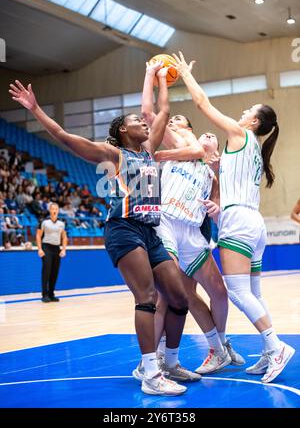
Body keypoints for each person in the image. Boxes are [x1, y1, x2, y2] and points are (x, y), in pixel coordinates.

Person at [9, 62, 189, 397]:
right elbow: (63, 136)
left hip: (150, 232)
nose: (144, 122)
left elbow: (163, 109)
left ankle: (169, 362)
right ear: (123, 130)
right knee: (147, 297)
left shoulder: (150, 152)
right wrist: (34, 110)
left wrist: (161, 78)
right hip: (123, 229)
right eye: (136, 120)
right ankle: (150, 373)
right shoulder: (113, 153)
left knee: (179, 298)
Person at [172, 51, 295, 383]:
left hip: (240, 224)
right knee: (253, 293)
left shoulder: (240, 135)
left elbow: (203, 105)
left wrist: (186, 75)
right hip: (252, 222)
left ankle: (276, 346)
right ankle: (270, 353)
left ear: (254, 122)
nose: (242, 113)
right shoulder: (249, 147)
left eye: (247, 112)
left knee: (238, 292)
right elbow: (228, 182)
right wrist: (216, 195)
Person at [140, 104, 244, 378]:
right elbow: (152, 115)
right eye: (204, 133)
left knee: (218, 292)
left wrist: (217, 207)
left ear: (217, 151)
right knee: (167, 294)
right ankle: (153, 359)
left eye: (213, 136)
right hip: (167, 224)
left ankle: (219, 347)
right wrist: (157, 77)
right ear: (189, 132)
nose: (209, 135)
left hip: (193, 232)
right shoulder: (180, 144)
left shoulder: (212, 173)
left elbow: (219, 202)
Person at [36, 203, 67, 302]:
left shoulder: (62, 224)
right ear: (50, 210)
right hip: (46, 248)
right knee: (46, 271)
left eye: (56, 209)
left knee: (54, 272)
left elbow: (64, 237)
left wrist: (63, 249)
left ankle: (51, 293)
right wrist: (40, 249)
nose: (54, 210)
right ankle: (44, 294)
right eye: (52, 209)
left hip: (56, 248)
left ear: (58, 211)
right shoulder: (44, 222)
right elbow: (38, 235)